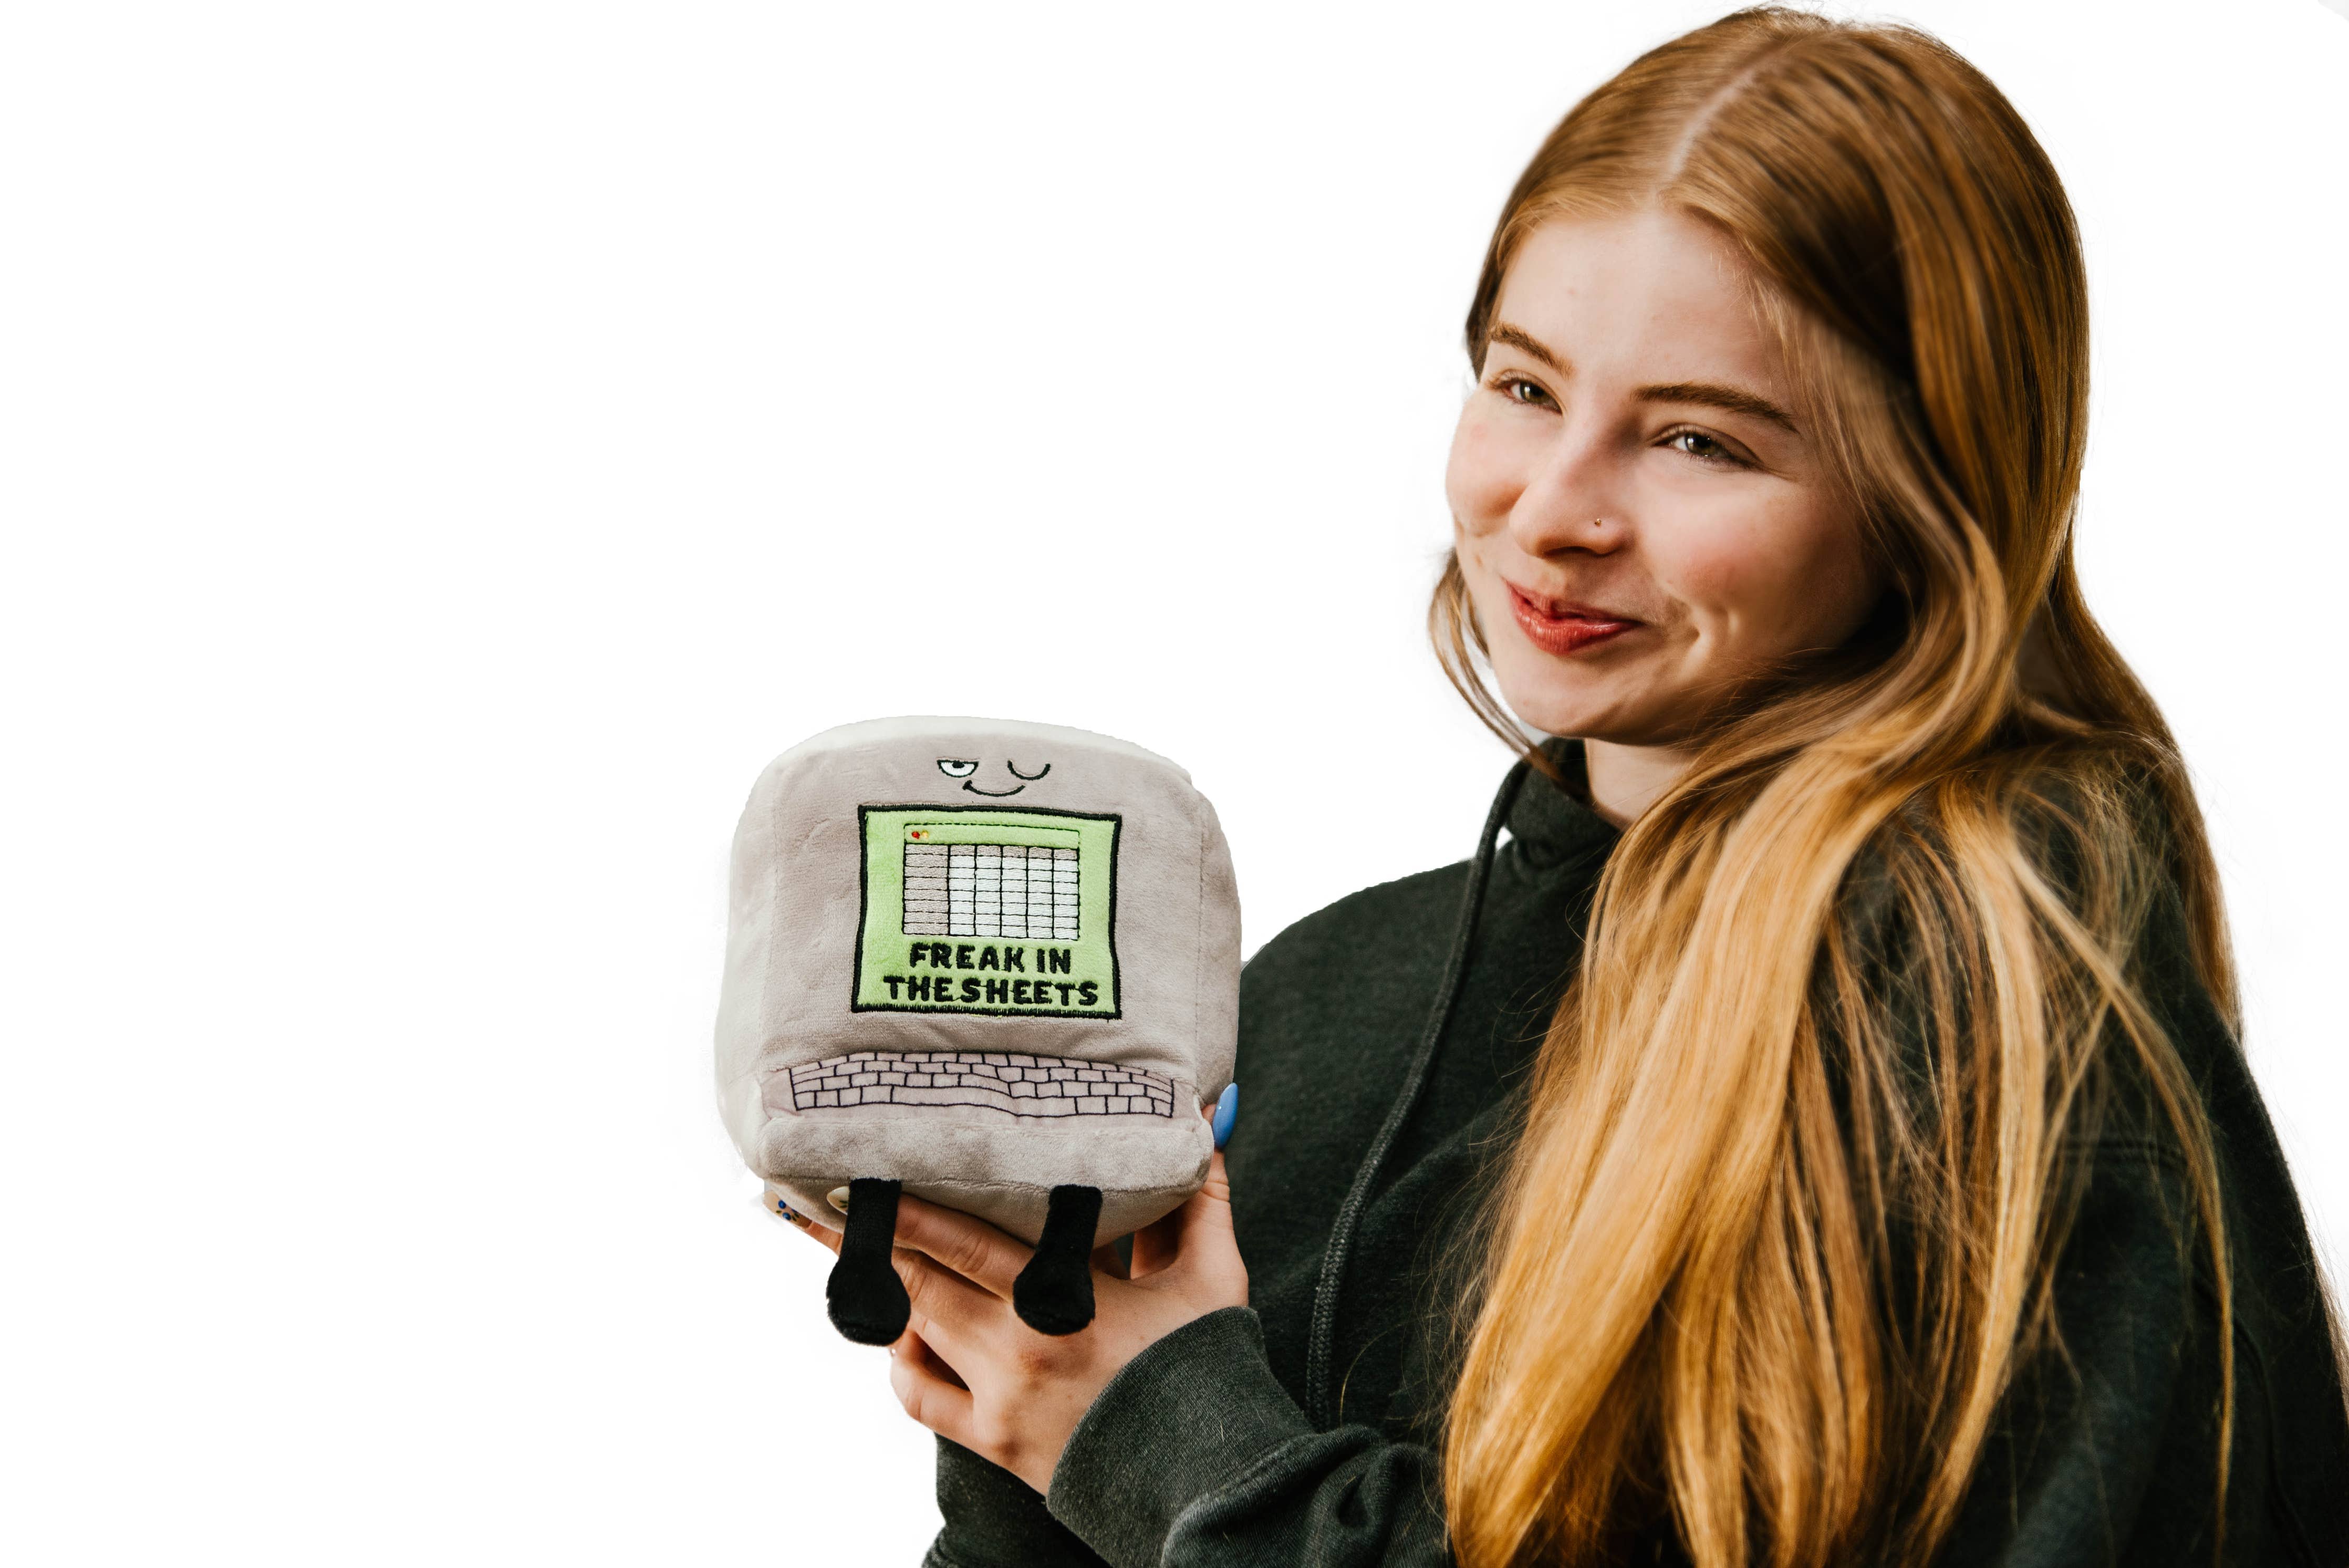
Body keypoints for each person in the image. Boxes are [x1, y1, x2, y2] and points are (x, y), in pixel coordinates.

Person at [779, 7, 2349, 1563]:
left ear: (1929, 506)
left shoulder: (2006, 1050)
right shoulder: (1330, 1003)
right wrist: (1015, 1354)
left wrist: (1179, 1444)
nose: (1551, 512)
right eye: (1525, 389)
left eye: (1698, 443)